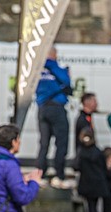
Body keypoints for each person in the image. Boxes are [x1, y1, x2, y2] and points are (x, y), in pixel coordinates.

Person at [75, 93, 111, 212]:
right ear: (86, 102)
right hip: (92, 172)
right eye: (94, 100)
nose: (97, 103)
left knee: (92, 204)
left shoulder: (87, 118)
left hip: (88, 172)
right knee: (96, 202)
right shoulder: (83, 120)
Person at [35, 46, 73, 189]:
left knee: (43, 144)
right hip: (56, 108)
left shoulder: (37, 70)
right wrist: (67, 74)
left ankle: (40, 175)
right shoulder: (56, 68)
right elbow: (67, 82)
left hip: (42, 108)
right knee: (61, 143)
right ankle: (59, 176)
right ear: (54, 55)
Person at [77, 128, 111, 212]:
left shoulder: (81, 152)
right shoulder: (98, 152)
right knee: (94, 208)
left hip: (86, 183)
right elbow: (104, 168)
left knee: (88, 207)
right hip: (98, 183)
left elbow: (76, 166)